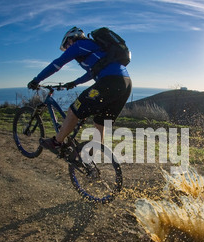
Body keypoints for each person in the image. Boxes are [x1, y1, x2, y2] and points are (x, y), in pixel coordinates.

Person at [27, 27, 132, 156]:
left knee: (74, 110)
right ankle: (92, 159)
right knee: (101, 121)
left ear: (71, 39)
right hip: (125, 84)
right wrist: (74, 83)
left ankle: (56, 142)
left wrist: (37, 80)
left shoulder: (80, 45)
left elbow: (57, 64)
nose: (67, 48)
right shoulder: (95, 49)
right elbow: (91, 73)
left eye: (66, 45)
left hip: (110, 81)